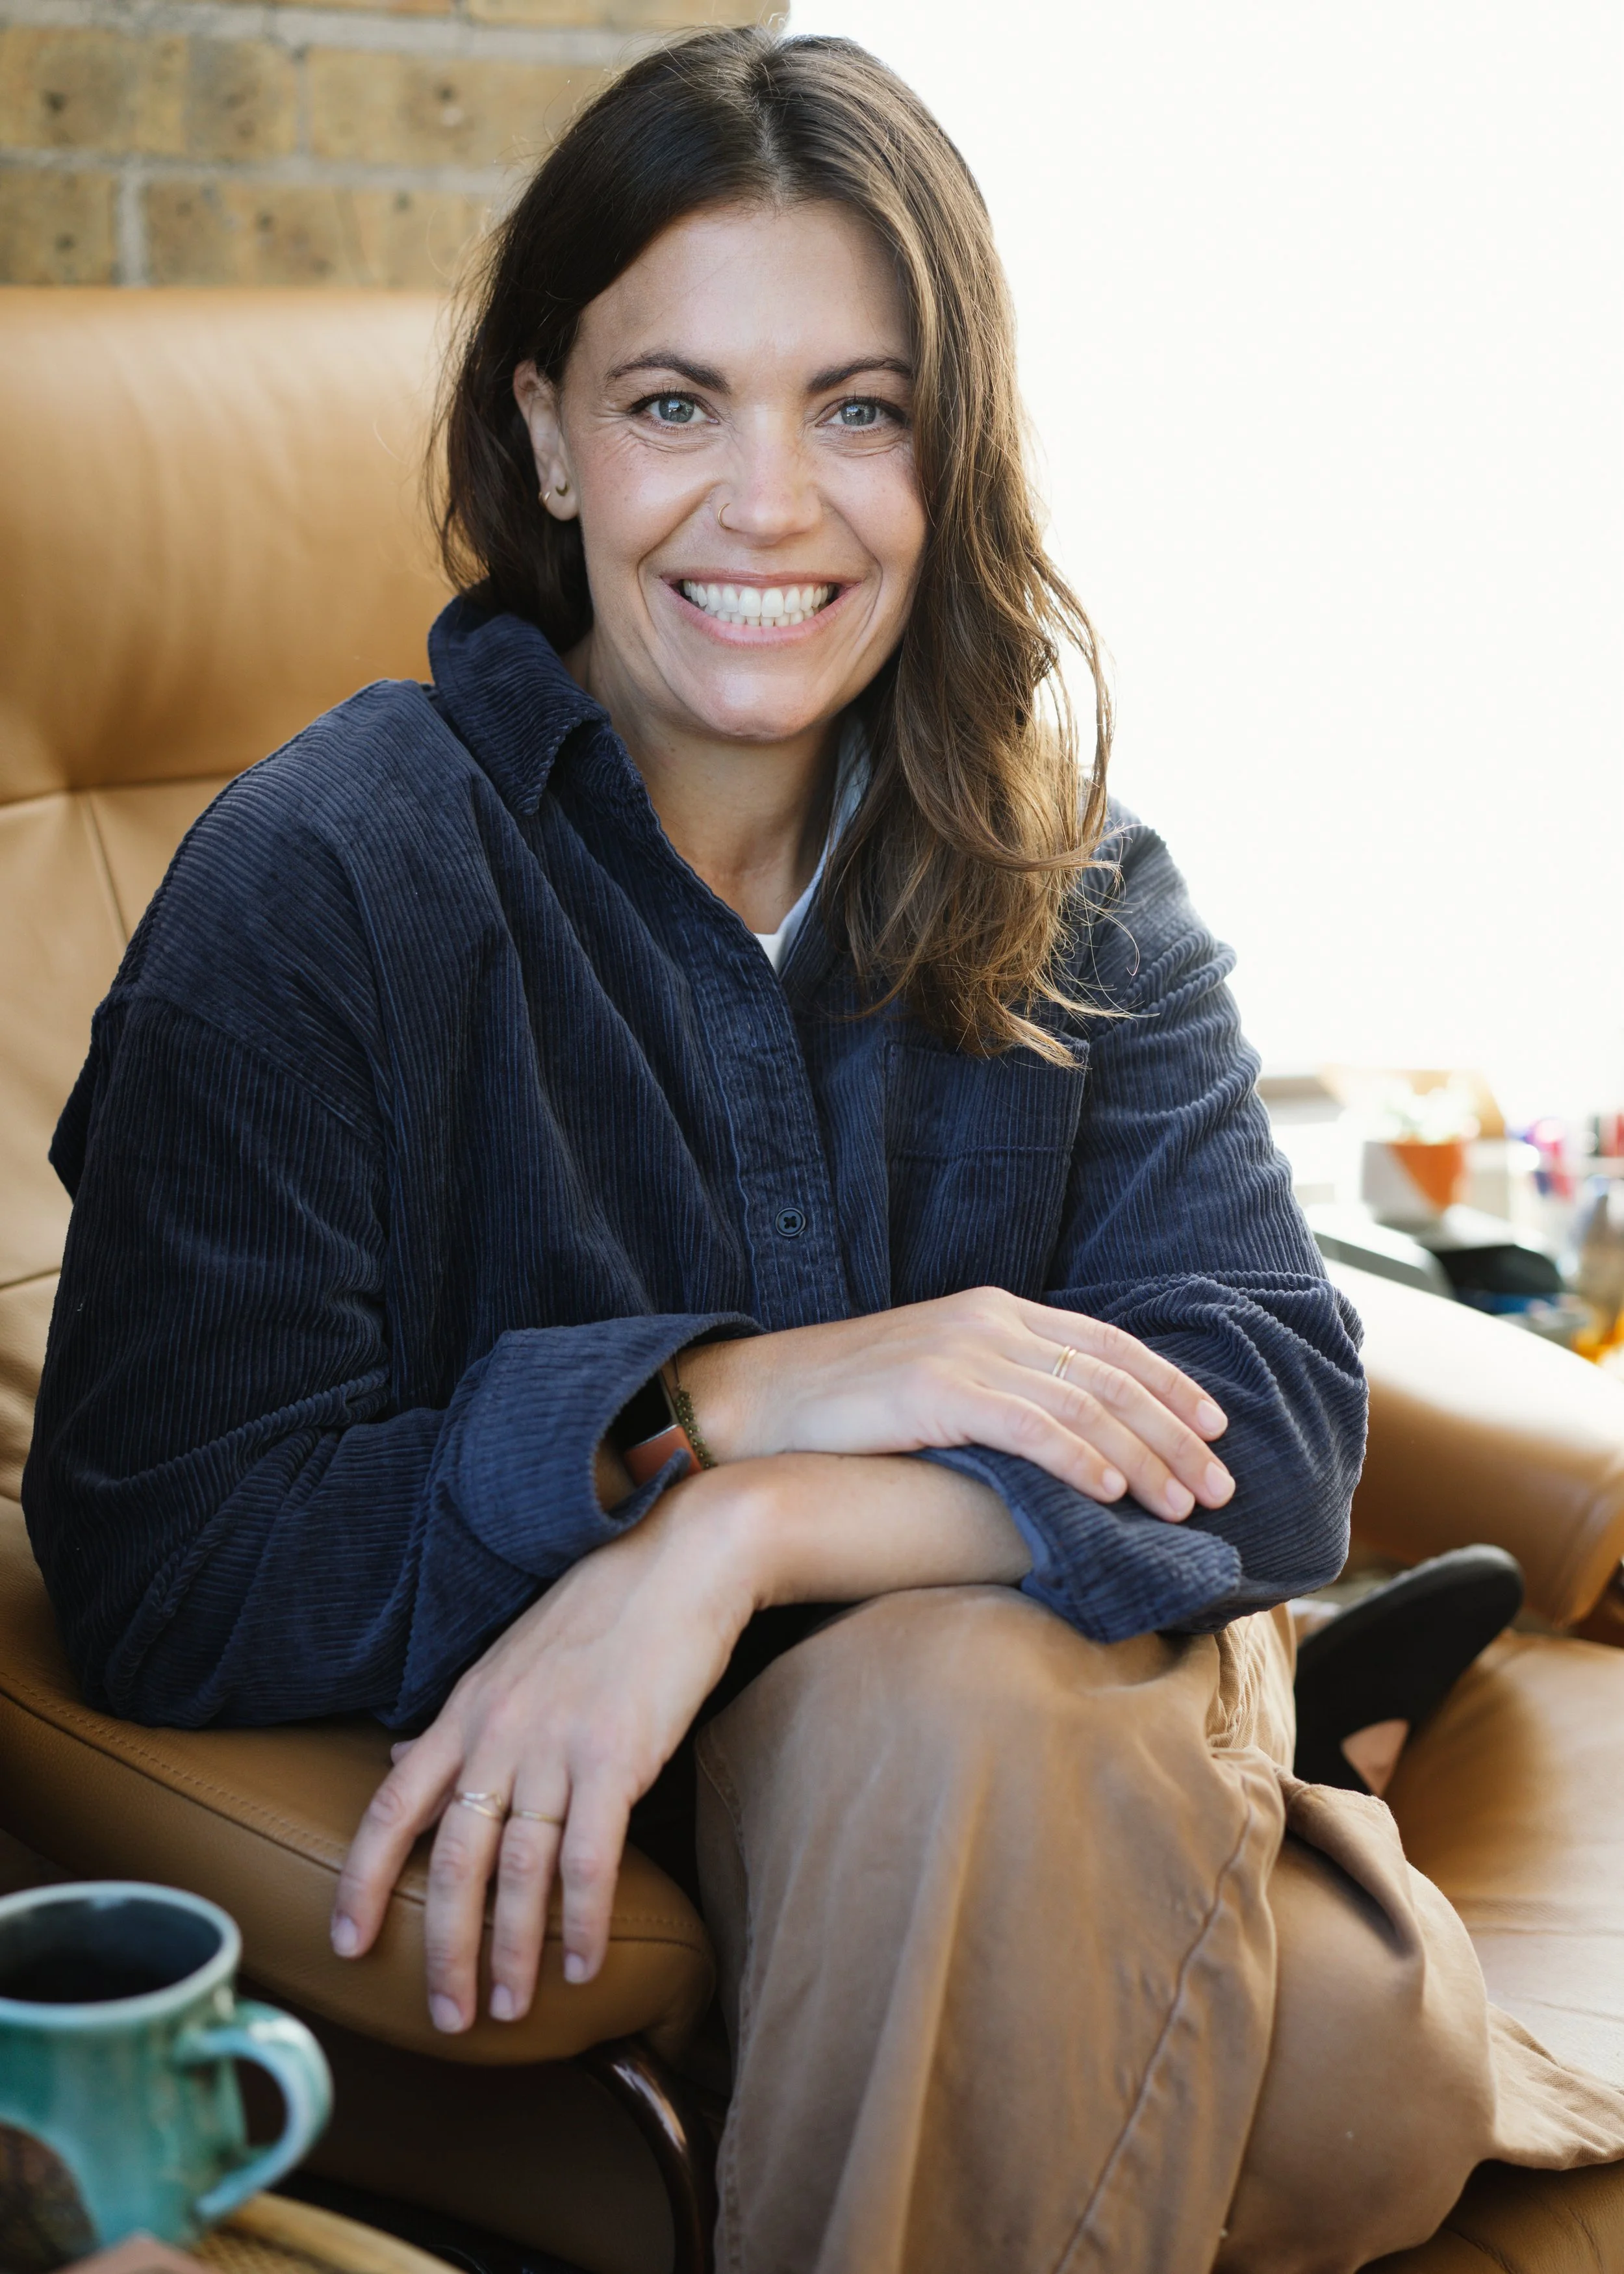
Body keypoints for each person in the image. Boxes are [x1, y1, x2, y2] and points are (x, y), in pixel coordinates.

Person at [23, 29, 1624, 2273]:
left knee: (980, 1705)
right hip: (797, 1768)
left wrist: (741, 1530)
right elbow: (168, 1551)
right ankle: (1283, 1751)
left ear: (941, 455)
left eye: (855, 409)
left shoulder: (1067, 876)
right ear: (545, 438)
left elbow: (1265, 1420)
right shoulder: (327, 882)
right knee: (1360, 2062)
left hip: (943, 1720)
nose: (769, 507)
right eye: (675, 401)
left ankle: (1260, 1723)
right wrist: (726, 1395)